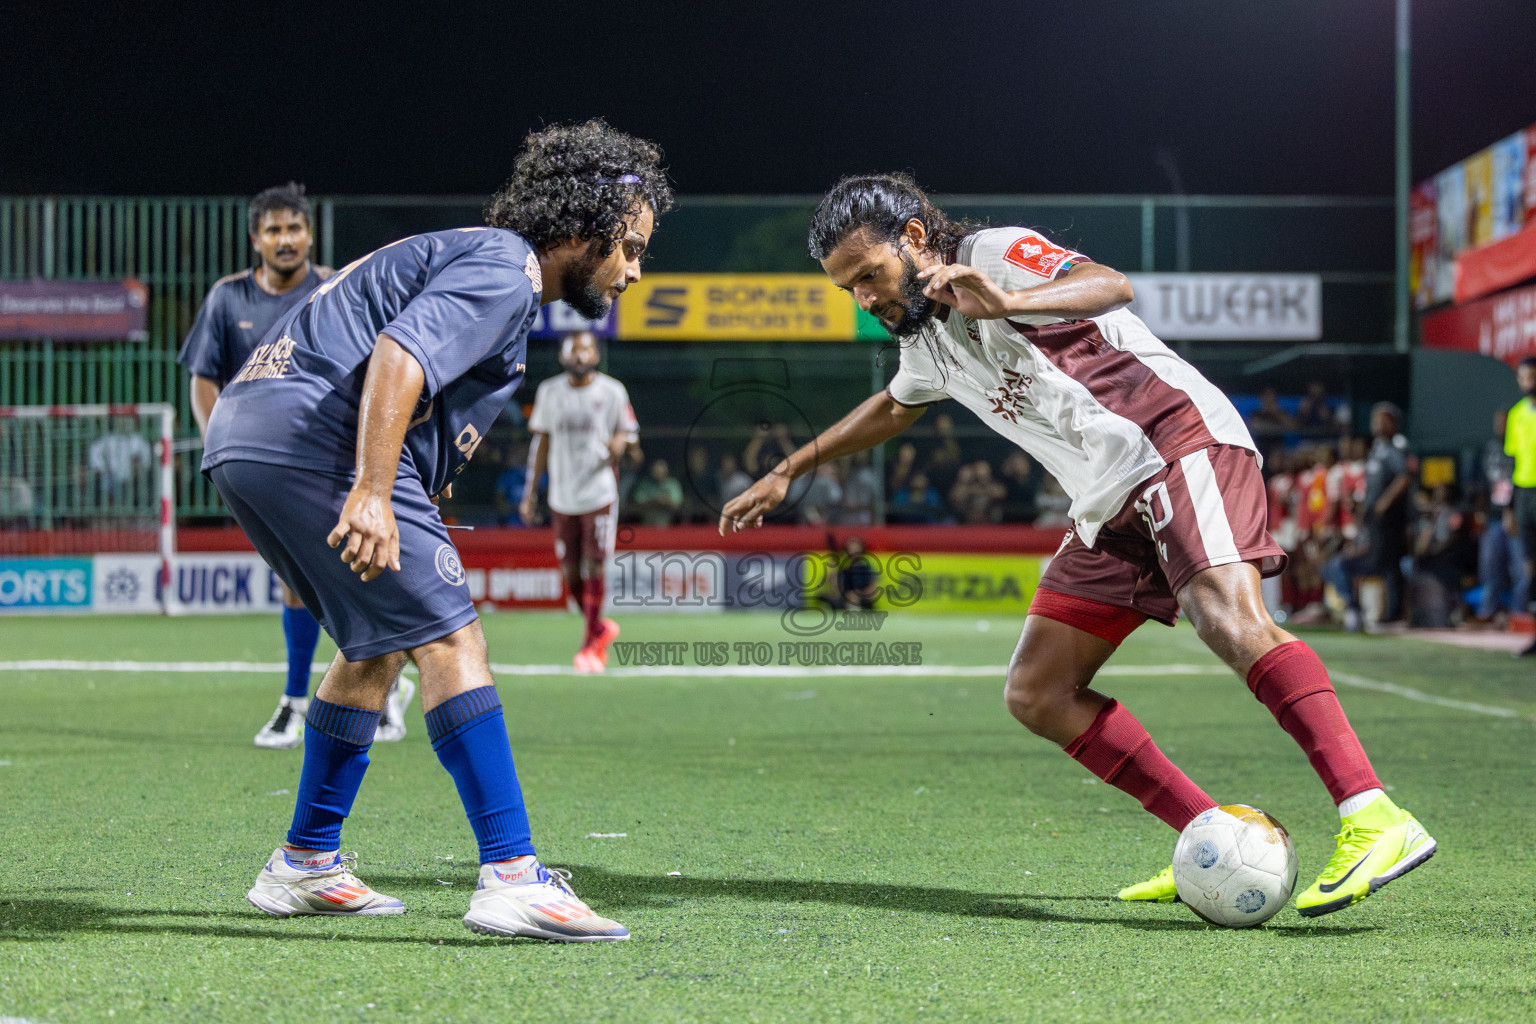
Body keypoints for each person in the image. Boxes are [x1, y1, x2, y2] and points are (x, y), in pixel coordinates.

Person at [722, 173, 1434, 918]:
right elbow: (893, 408)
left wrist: (1011, 301)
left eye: (868, 274)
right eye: (848, 288)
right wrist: (787, 468)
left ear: (912, 239)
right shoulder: (926, 338)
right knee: (1038, 692)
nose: (864, 298)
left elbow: (1108, 284)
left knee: (1227, 617)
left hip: (1172, 442)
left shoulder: (991, 254)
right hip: (1105, 499)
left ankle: (1373, 813)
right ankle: (1210, 833)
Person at [203, 120, 671, 939]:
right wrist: (375, 492)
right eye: (628, 246)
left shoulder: (469, 251)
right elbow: (398, 355)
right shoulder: (507, 268)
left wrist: (401, 485)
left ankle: (306, 861)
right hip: (314, 438)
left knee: (374, 647)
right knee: (455, 640)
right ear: (583, 226)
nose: (633, 270)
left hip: (248, 436)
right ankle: (512, 874)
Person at [178, 183, 415, 749]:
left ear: (309, 233)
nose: (286, 239)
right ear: (255, 239)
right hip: (266, 466)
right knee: (298, 579)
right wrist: (220, 454)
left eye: (295, 228)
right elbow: (203, 381)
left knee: (363, 568)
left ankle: (368, 689)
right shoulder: (227, 298)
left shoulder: (337, 287)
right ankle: (303, 698)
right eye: (274, 230)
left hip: (335, 457)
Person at [520, 330, 638, 672]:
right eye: (574, 350)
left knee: (595, 565)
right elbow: (540, 444)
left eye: (586, 350)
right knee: (570, 572)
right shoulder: (549, 392)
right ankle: (600, 628)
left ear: (596, 355)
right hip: (562, 495)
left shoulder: (613, 391)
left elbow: (629, 433)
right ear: (562, 357)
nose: (580, 356)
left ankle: (590, 644)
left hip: (599, 493)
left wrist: (621, 442)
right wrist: (531, 493)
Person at [1504, 357, 1536, 655]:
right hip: (1526, 494)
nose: (1527, 381)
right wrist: (1509, 508)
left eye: (1531, 376)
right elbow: (1512, 462)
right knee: (1530, 565)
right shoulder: (1517, 415)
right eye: (1523, 376)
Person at [629, 458, 684, 526]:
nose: (658, 472)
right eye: (656, 470)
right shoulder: (645, 484)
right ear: (651, 470)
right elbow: (637, 504)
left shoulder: (673, 484)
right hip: (646, 525)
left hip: (668, 525)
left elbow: (678, 505)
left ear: (666, 470)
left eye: (660, 470)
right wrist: (655, 501)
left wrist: (665, 501)